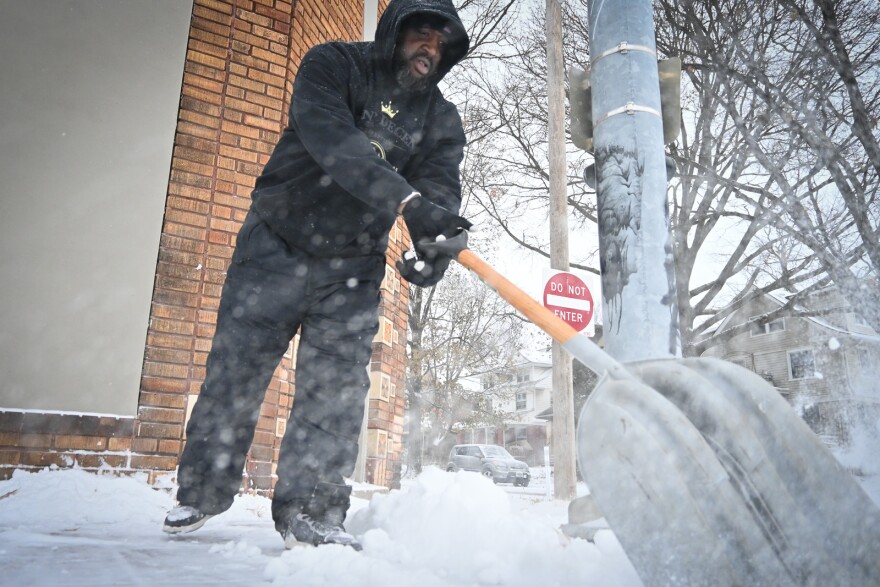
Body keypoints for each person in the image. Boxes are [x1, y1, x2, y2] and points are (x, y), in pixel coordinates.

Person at [161, 0, 471, 551]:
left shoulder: (441, 122)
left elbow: (441, 189)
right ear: (393, 31)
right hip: (275, 242)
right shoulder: (332, 64)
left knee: (336, 391)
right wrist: (407, 199)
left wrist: (436, 244)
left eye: (440, 44)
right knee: (236, 370)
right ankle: (202, 491)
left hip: (351, 267)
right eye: (420, 35)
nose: (429, 49)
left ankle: (313, 510)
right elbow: (335, 144)